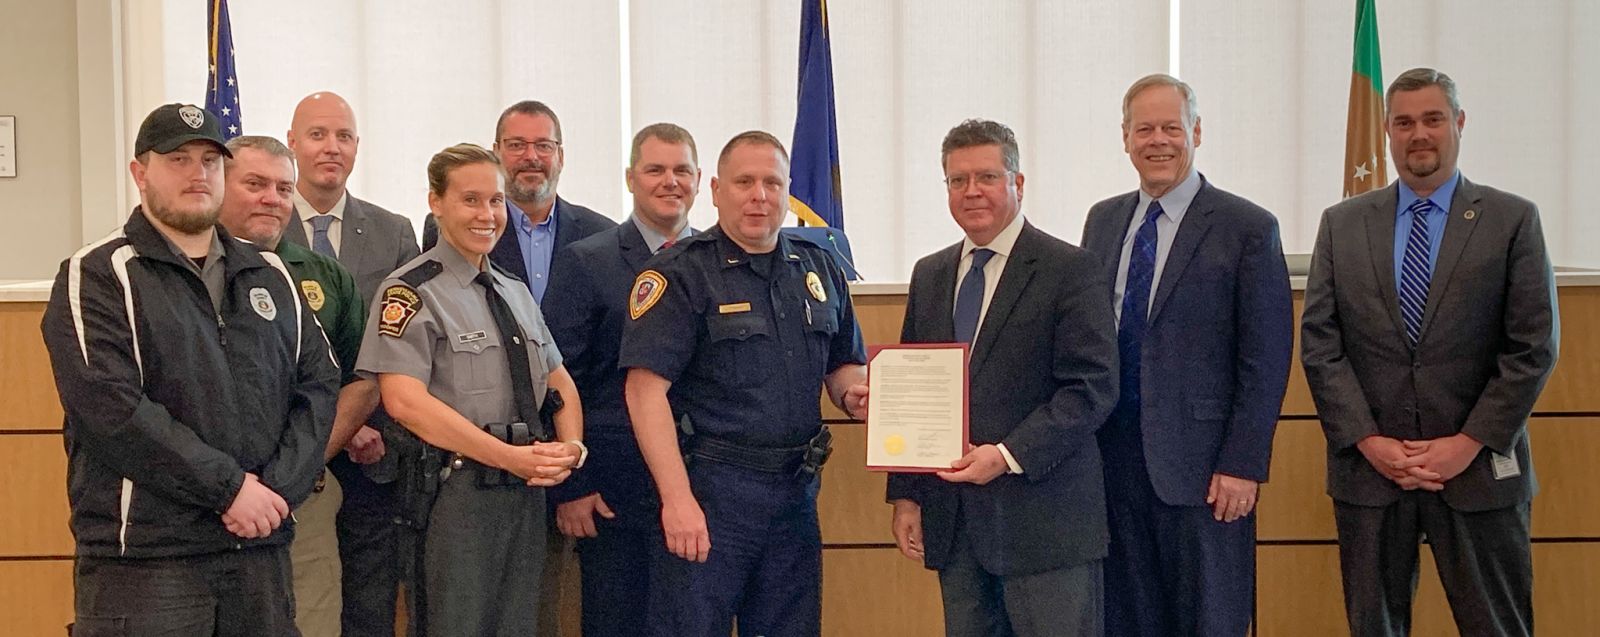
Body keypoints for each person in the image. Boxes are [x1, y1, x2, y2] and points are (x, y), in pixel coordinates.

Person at [41, 103, 339, 636]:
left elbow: (318, 387)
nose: (198, 173)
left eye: (210, 160)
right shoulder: (97, 273)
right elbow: (110, 409)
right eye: (178, 158)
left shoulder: (269, 274)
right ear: (140, 172)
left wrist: (273, 494)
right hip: (150, 562)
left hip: (260, 554)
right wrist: (230, 491)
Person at [1301, 67, 1559, 637]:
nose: (1419, 133)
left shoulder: (1512, 220)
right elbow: (1320, 342)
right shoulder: (1341, 224)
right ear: (1388, 131)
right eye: (1404, 122)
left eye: (1433, 119)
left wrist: (1465, 445)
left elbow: (1532, 348)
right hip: (1371, 471)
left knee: (1498, 626)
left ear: (1459, 124)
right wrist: (1370, 441)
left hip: (1478, 471)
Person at [619, 130, 868, 637]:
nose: (759, 195)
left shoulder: (818, 266)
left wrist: (855, 394)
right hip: (711, 493)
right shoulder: (679, 273)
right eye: (744, 182)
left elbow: (843, 365)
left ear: (787, 190)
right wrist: (677, 499)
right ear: (715, 190)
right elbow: (644, 394)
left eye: (772, 183)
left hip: (795, 492)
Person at [885, 119, 1119, 637]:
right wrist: (907, 495)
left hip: (1046, 525)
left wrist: (1008, 455)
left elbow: (1091, 388)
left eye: (987, 177)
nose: (972, 192)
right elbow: (916, 391)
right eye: (958, 180)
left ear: (1017, 183)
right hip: (957, 525)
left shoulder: (1071, 269)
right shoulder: (931, 274)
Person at [1080, 74, 1294, 636]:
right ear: (1124, 137)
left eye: (1171, 127)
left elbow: (1266, 358)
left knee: (1208, 622)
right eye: (1144, 128)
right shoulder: (1103, 222)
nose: (1158, 141)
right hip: (1112, 463)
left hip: (1205, 473)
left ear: (1195, 132)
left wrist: (1243, 463)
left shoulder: (1247, 227)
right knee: (1125, 620)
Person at [355, 143, 585, 636]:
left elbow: (558, 377)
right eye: (471, 200)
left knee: (521, 626)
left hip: (523, 491)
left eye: (496, 201)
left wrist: (571, 445)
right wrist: (507, 456)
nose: (487, 215)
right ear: (435, 202)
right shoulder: (411, 291)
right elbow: (404, 402)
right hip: (453, 494)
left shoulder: (512, 289)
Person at [217, 134, 383, 637]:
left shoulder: (322, 275)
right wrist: (232, 486)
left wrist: (293, 472)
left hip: (302, 495)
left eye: (284, 189)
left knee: (310, 622)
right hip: (204, 502)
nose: (273, 199)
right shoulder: (171, 276)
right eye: (255, 184)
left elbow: (360, 379)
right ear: (215, 185)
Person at [543, 123, 699, 637]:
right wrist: (574, 484)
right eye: (655, 169)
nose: (669, 181)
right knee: (616, 621)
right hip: (612, 488)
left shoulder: (720, 262)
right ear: (631, 178)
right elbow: (559, 381)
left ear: (700, 181)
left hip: (705, 483)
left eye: (682, 170)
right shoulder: (587, 261)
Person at [282, 90, 419, 636]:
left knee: (369, 602)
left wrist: (365, 420)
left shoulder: (394, 231)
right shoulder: (257, 225)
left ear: (357, 147)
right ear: (292, 143)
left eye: (343, 136)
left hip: (374, 450)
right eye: (317, 135)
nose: (330, 148)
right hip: (286, 447)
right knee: (296, 601)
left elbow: (406, 341)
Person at [422, 100, 617, 303]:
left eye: (543, 146)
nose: (531, 156)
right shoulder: (459, 227)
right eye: (517, 145)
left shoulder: (603, 236)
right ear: (496, 152)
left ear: (560, 156)